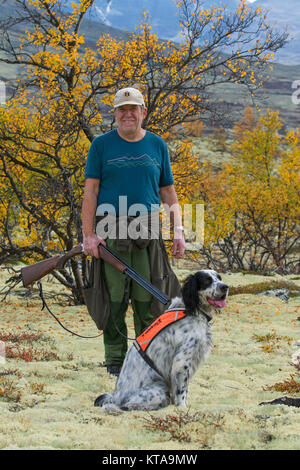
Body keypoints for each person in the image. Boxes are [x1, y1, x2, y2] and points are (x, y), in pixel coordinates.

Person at [82, 87, 185, 376]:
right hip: (110, 232)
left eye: (133, 108)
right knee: (114, 300)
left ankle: (147, 359)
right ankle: (115, 362)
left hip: (148, 232)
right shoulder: (101, 146)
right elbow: (91, 191)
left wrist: (178, 230)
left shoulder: (157, 145)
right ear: (114, 114)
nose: (128, 114)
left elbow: (168, 191)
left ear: (143, 112)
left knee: (148, 300)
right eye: (122, 109)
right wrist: (88, 236)